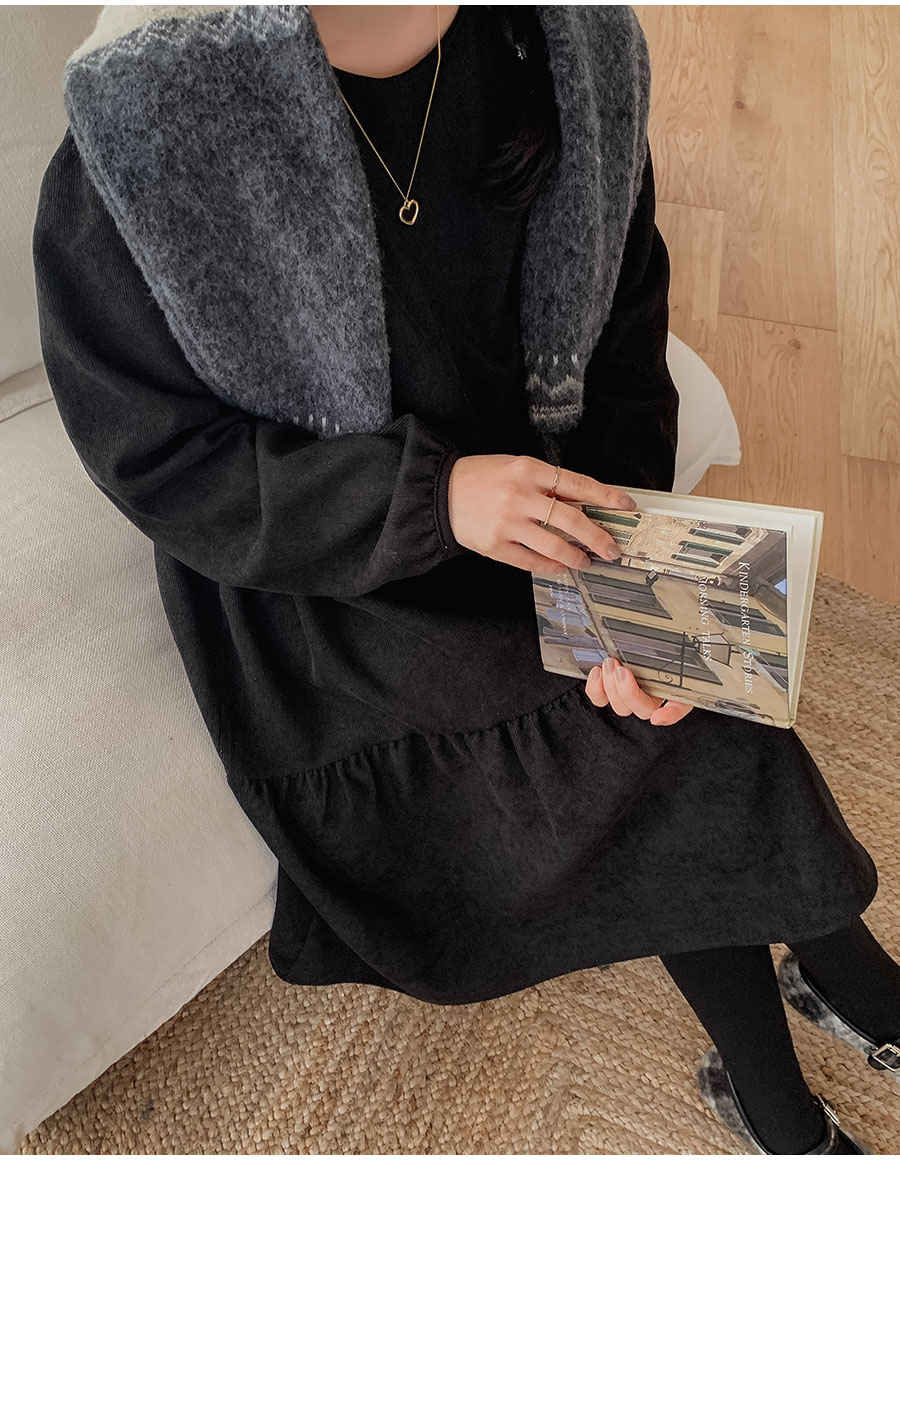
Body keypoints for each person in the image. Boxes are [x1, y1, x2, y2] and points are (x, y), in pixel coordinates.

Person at [33, 3, 897, 1153]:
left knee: (689, 684)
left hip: (547, 513)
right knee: (684, 743)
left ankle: (817, 1039)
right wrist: (434, 499)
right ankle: (819, 1043)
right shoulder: (147, 121)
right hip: (329, 583)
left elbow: (621, 338)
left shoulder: (576, 48)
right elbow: (159, 457)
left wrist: (628, 578)